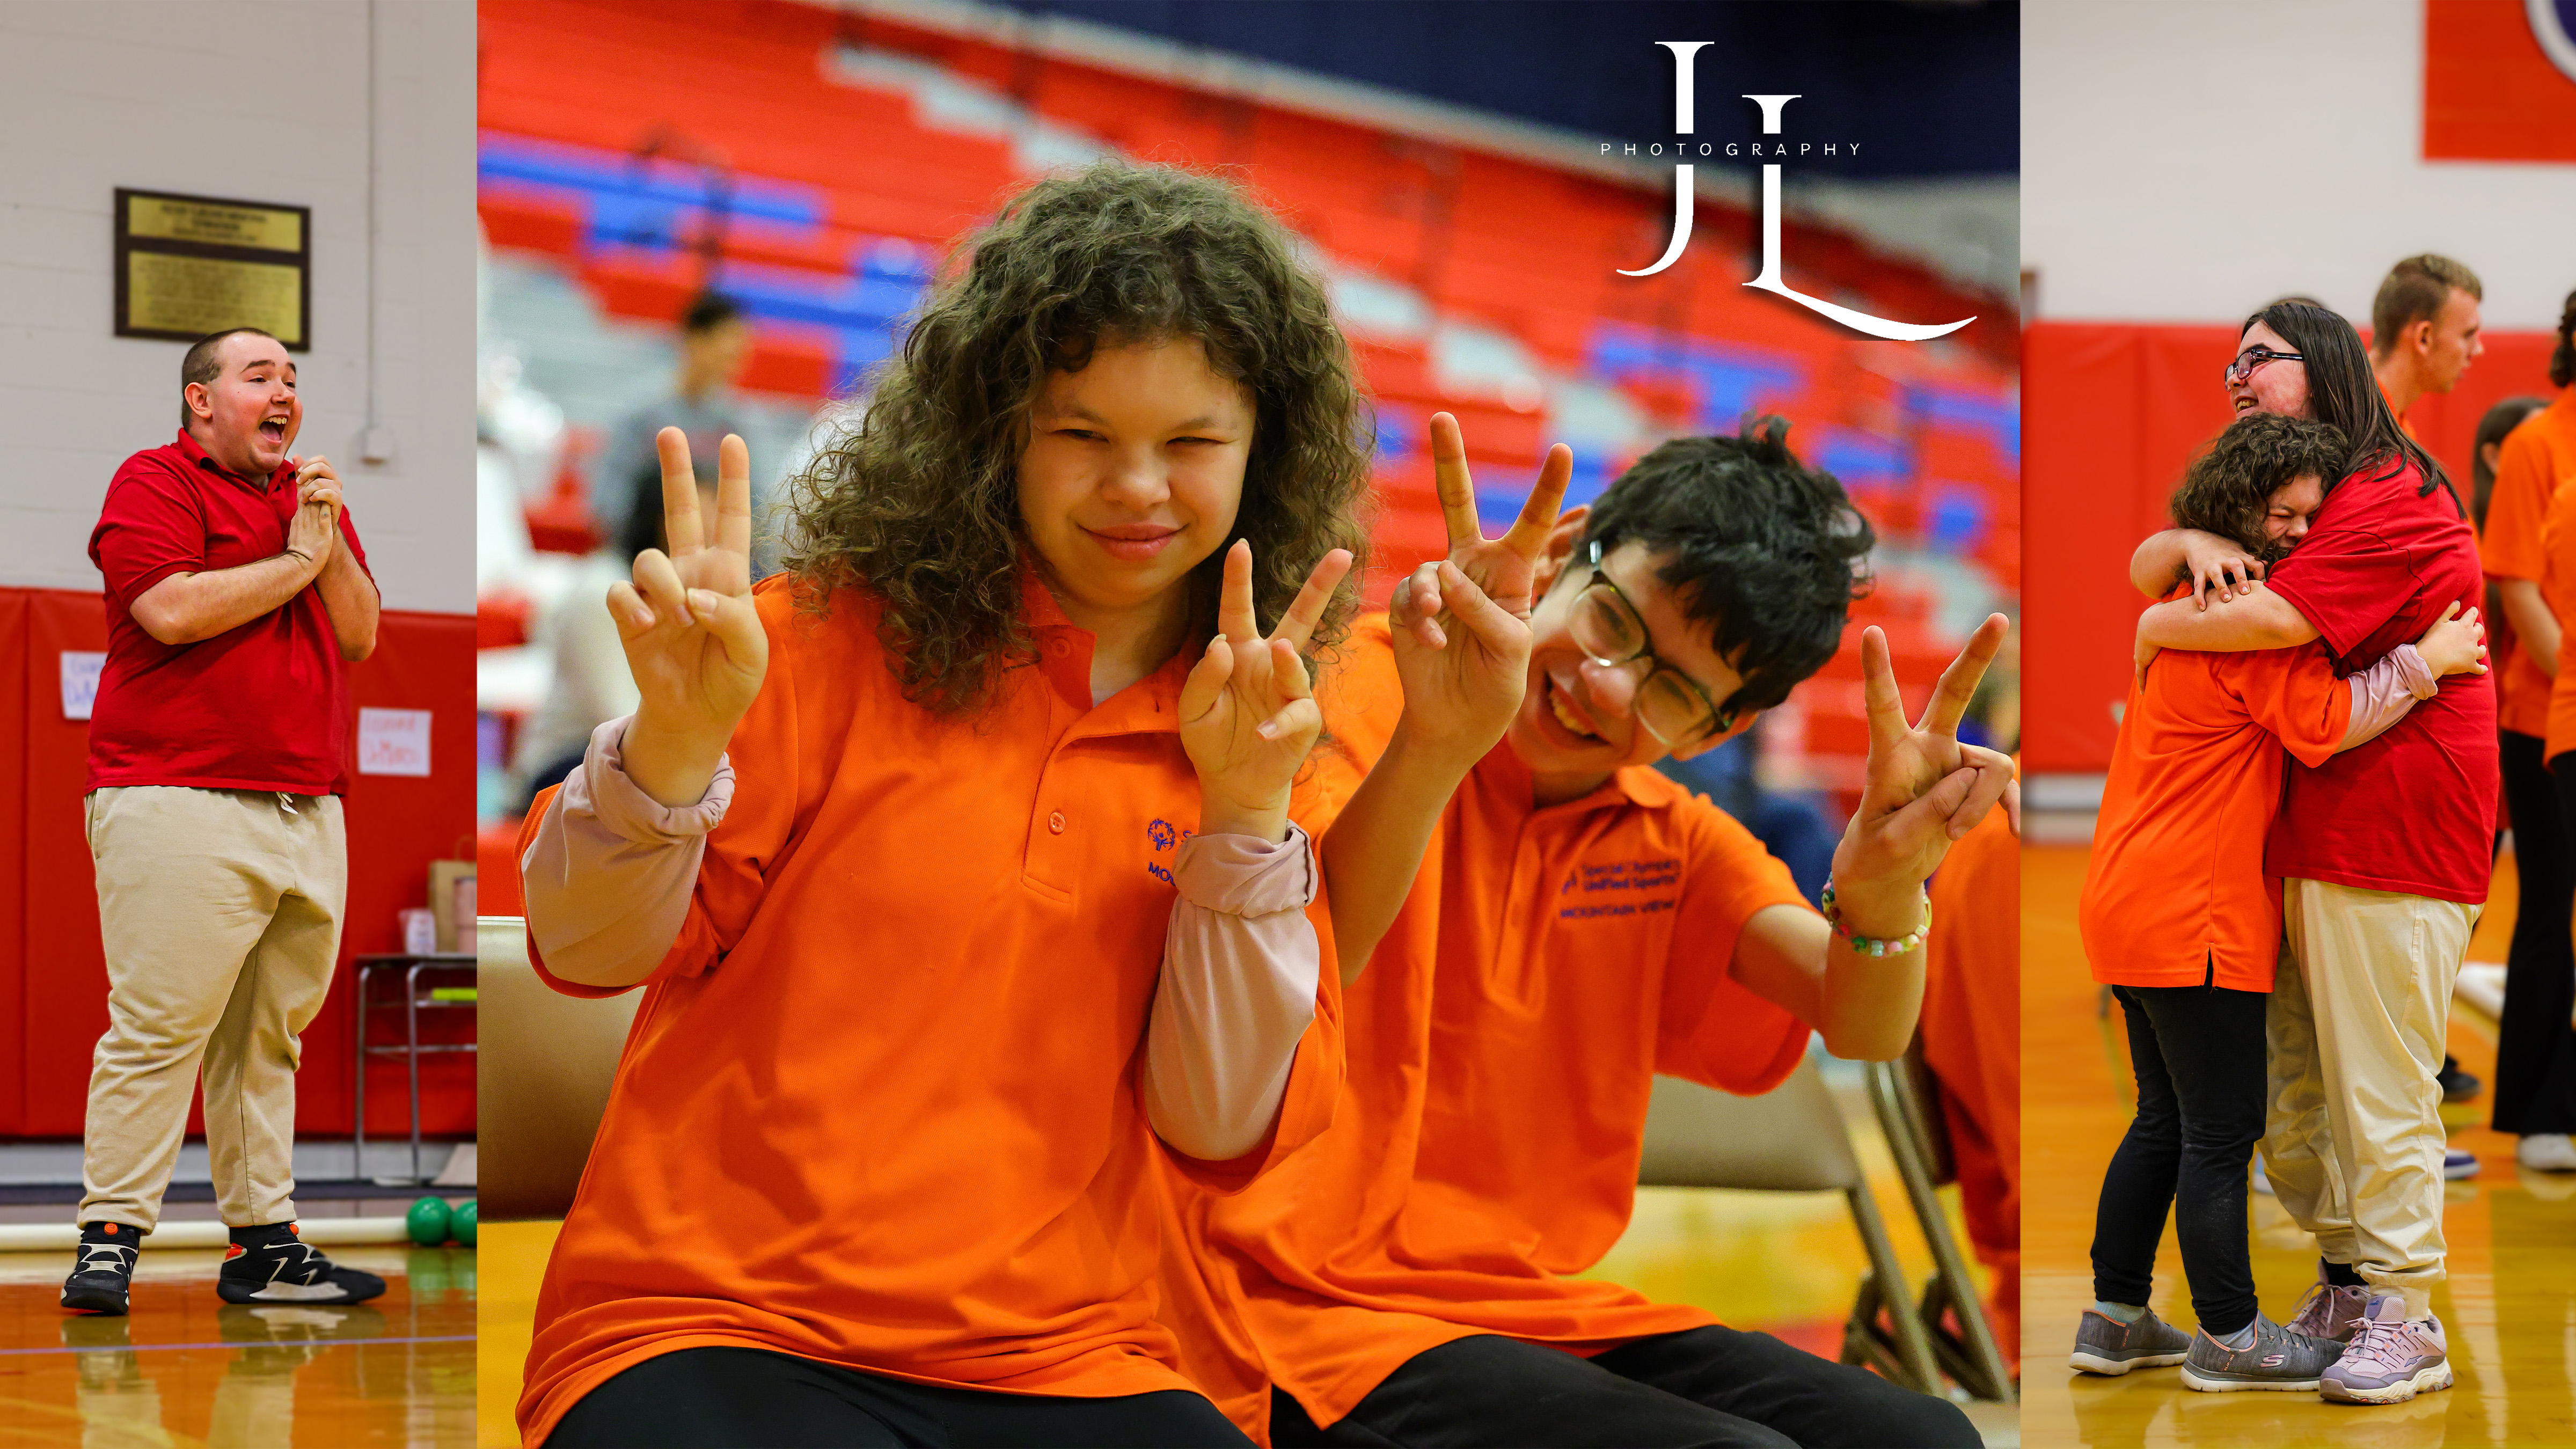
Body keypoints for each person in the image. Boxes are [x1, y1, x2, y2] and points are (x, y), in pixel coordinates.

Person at [511, 162, 1372, 1448]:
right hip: (716, 1319)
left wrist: (1243, 815)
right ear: (995, 434)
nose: (1137, 487)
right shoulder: (808, 646)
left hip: (1075, 1350)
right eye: (1081, 435)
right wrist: (669, 751)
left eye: (1190, 443)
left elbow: (1213, 1119)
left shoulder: (1267, 726)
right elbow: (583, 949)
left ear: (1263, 452)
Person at [1166, 415, 2010, 1448]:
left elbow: (1861, 1017)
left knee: (1927, 1441)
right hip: (1271, 1302)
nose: (1607, 684)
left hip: (1517, 1313)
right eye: (1615, 623)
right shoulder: (1352, 690)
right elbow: (1294, 964)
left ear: (1716, 734)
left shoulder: (1674, 839)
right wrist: (1439, 744)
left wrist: (1882, 889)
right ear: (1565, 552)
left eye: (1673, 692)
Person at [2129, 300, 2497, 1406]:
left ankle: (2409, 1311)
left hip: (2395, 833)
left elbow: (2270, 621)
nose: (2236, 375)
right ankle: (2347, 1278)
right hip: (2308, 835)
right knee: (2297, 1105)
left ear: (2326, 362)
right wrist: (2184, 547)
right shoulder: (2317, 495)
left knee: (2380, 1092)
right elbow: (2172, 552)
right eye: (2228, 359)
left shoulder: (2391, 494)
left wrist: (2153, 619)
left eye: (2260, 358)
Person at [62, 327, 385, 1316]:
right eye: (259, 376)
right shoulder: (154, 480)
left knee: (266, 1040)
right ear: (202, 400)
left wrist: (318, 535)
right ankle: (110, 1235)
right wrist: (298, 556)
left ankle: (264, 1246)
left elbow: (362, 635)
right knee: (159, 1026)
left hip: (305, 800)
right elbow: (171, 611)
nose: (284, 391)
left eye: (293, 379)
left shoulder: (311, 509)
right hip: (178, 794)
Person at [2498, 291, 2576, 1173]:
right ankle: (2538, 1107)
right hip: (2542, 714)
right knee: (2551, 907)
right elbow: (2518, 584)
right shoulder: (2537, 443)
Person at [589, 290, 758, 543]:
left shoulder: (734, 423)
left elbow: (754, 500)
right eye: (727, 349)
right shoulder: (641, 414)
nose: (735, 361)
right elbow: (607, 496)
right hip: (640, 548)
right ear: (695, 340)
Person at [2368, 254, 2484, 427]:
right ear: (2423, 338)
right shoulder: (2358, 431)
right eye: (2467, 335)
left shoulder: (2390, 422)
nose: (2478, 349)